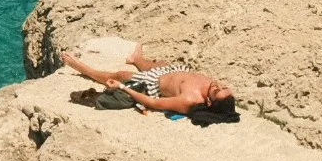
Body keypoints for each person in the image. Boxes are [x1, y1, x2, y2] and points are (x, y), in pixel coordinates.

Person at [62, 45, 235, 118]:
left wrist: (123, 87)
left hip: (151, 83)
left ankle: (83, 69)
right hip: (173, 72)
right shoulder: (212, 85)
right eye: (223, 86)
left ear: (210, 102)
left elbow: (153, 102)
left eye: (217, 90)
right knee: (157, 64)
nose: (217, 85)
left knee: (120, 74)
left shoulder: (190, 100)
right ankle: (137, 59)